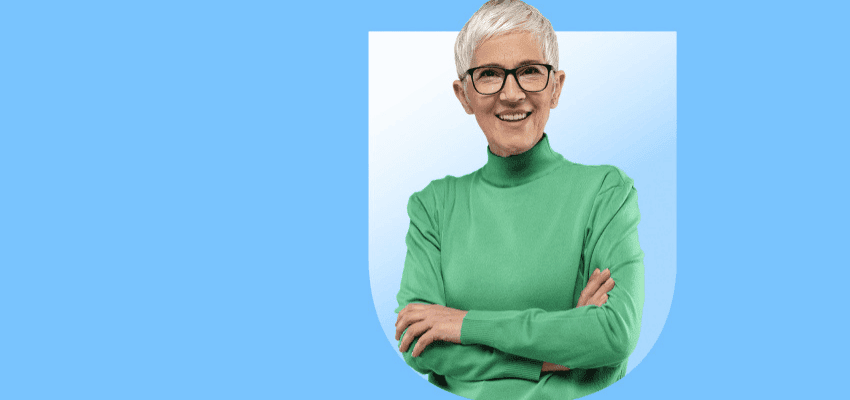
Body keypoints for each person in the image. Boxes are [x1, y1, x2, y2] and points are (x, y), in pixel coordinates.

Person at [393, 1, 645, 399]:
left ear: (556, 86)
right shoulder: (433, 206)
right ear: (464, 96)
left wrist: (461, 324)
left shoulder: (605, 192)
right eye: (489, 74)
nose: (511, 94)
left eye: (529, 71)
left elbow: (613, 335)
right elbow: (417, 343)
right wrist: (558, 351)